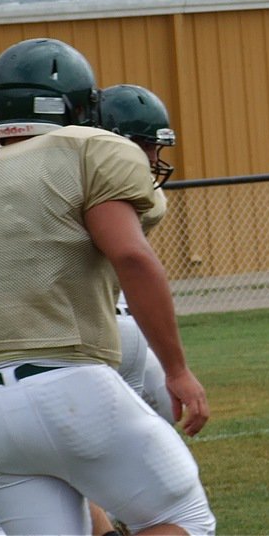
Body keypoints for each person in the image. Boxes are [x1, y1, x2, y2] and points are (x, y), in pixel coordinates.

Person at [0, 38, 215, 535]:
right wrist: (176, 369)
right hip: (67, 378)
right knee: (183, 517)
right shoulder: (88, 149)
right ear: (78, 106)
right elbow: (130, 254)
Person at [100, 83, 180, 423]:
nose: (151, 157)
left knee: (163, 406)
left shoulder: (135, 195)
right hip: (79, 330)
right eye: (143, 144)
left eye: (154, 145)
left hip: (118, 314)